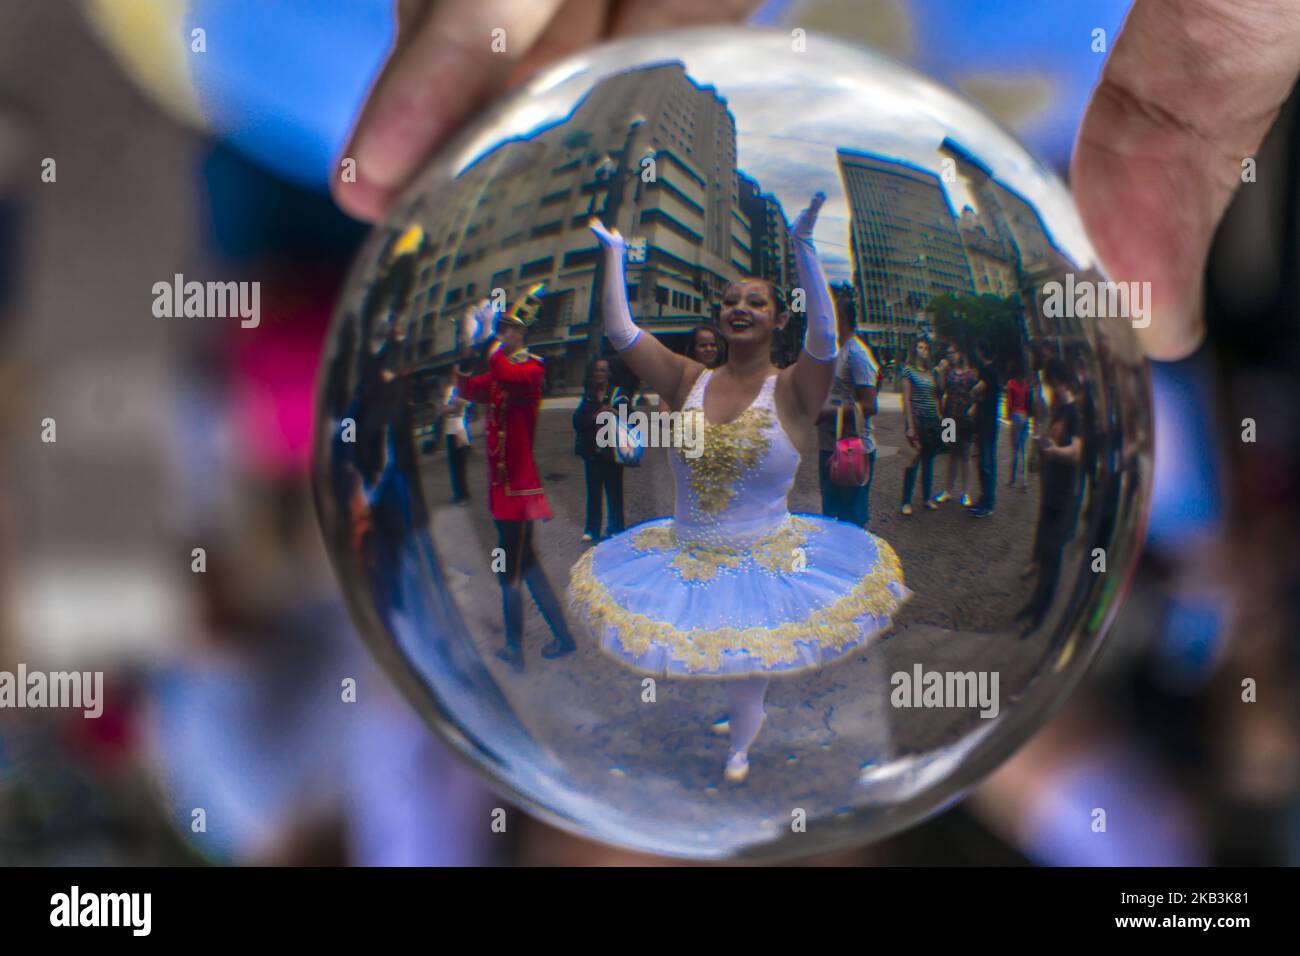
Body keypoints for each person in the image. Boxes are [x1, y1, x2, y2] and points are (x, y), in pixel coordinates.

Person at [568, 193, 909, 783]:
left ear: (779, 319)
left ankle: (741, 746)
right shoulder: (685, 378)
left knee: (747, 657)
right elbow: (621, 331)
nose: (739, 308)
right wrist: (616, 255)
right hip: (687, 550)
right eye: (729, 301)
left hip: (763, 555)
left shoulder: (796, 390)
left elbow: (825, 339)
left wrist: (803, 248)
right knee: (728, 652)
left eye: (756, 301)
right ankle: (742, 719)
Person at [454, 292, 576, 670]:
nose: (504, 333)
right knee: (523, 564)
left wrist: (490, 343)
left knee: (514, 567)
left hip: (518, 490)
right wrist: (467, 347)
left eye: (510, 328)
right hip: (501, 488)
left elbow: (505, 375)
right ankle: (558, 637)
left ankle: (515, 646)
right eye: (501, 327)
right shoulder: (500, 364)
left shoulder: (531, 369)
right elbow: (469, 388)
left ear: (523, 334)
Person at [1015, 359, 1083, 636]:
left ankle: (1040, 615)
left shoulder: (1075, 414)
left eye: (1052, 385)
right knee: (1044, 550)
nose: (1050, 391)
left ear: (1062, 384)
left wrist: (1053, 451)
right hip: (1051, 491)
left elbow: (1076, 452)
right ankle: (1034, 606)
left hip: (1066, 495)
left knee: (1053, 556)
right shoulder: (1058, 412)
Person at [816, 305, 878, 527]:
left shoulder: (857, 354)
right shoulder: (835, 351)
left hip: (851, 448)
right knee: (832, 513)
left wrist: (826, 414)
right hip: (830, 445)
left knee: (851, 517)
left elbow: (870, 405)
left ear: (842, 319)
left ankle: (855, 561)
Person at [572, 357, 629, 542]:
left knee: (615, 492)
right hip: (592, 451)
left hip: (612, 451)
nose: (600, 374)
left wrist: (617, 414)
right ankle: (592, 529)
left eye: (603, 370)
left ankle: (616, 527)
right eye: (597, 370)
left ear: (609, 373)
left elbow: (632, 419)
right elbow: (578, 421)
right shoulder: (588, 395)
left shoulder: (619, 394)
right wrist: (594, 417)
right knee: (593, 492)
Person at [898, 339, 943, 516]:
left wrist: (940, 418)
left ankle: (926, 498)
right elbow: (906, 400)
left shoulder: (931, 372)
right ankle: (906, 501)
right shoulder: (908, 371)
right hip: (917, 420)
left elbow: (936, 396)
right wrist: (910, 425)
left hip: (931, 419)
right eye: (920, 347)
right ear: (914, 350)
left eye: (925, 348)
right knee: (913, 459)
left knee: (929, 460)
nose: (923, 351)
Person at [933, 345, 976, 508]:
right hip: (949, 417)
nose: (950, 356)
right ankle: (947, 490)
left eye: (953, 352)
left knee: (965, 455)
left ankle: (965, 492)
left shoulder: (970, 374)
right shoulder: (948, 373)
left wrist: (974, 409)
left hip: (964, 418)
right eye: (948, 353)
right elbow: (941, 390)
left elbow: (977, 393)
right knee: (951, 455)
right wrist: (942, 372)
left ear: (960, 354)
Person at [969, 339, 1002, 518]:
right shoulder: (992, 371)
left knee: (986, 464)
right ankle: (985, 499)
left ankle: (987, 502)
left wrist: (976, 395)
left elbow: (976, 390)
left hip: (985, 424)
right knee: (985, 463)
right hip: (986, 424)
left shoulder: (989, 371)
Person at [440, 377, 471, 504]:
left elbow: (453, 409)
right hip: (452, 430)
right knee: (455, 465)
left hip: (457, 431)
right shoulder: (453, 391)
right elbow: (445, 409)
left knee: (459, 465)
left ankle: (462, 495)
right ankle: (460, 493)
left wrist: (447, 407)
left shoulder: (460, 392)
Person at [1005, 362, 1031, 492]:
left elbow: (1009, 402)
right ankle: (1024, 481)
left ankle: (1012, 479)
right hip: (1025, 415)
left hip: (1015, 415)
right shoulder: (1026, 385)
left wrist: (1007, 417)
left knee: (1014, 450)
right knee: (1023, 450)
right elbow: (1028, 402)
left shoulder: (1011, 384)